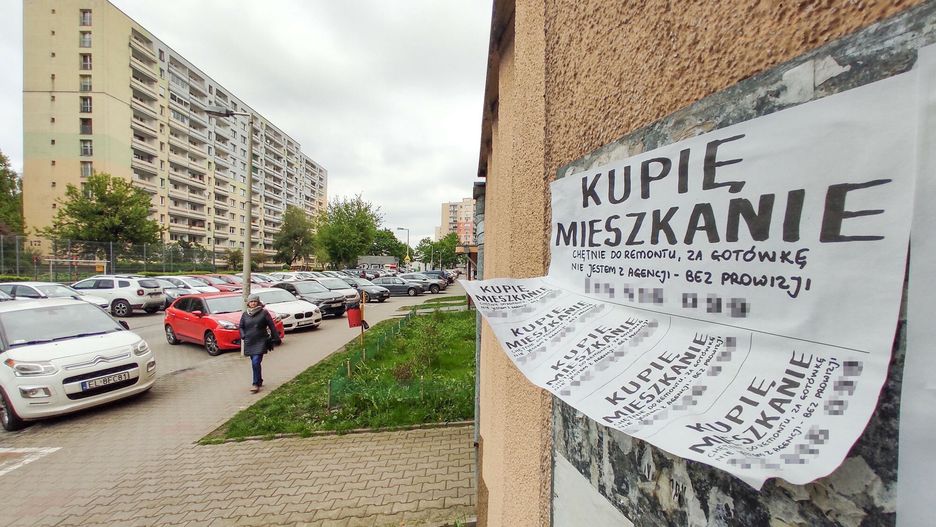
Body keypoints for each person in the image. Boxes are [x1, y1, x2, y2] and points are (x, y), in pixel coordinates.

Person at [239, 293, 281, 393]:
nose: (253, 303)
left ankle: (255, 384)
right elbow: (240, 326)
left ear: (258, 302)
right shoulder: (245, 314)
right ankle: (259, 380)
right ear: (248, 303)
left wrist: (276, 338)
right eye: (251, 302)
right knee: (255, 363)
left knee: (256, 361)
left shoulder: (264, 313)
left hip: (261, 340)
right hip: (250, 341)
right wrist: (243, 335)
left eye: (255, 301)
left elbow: (271, 326)